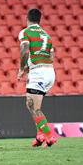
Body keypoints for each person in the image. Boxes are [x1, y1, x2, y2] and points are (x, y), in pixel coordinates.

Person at [17, 8, 58, 148]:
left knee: (34, 107)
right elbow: (51, 56)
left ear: (27, 19)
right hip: (49, 72)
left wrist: (22, 68)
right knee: (31, 105)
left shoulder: (25, 32)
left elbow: (25, 50)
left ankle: (49, 136)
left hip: (38, 73)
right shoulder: (47, 35)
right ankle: (40, 136)